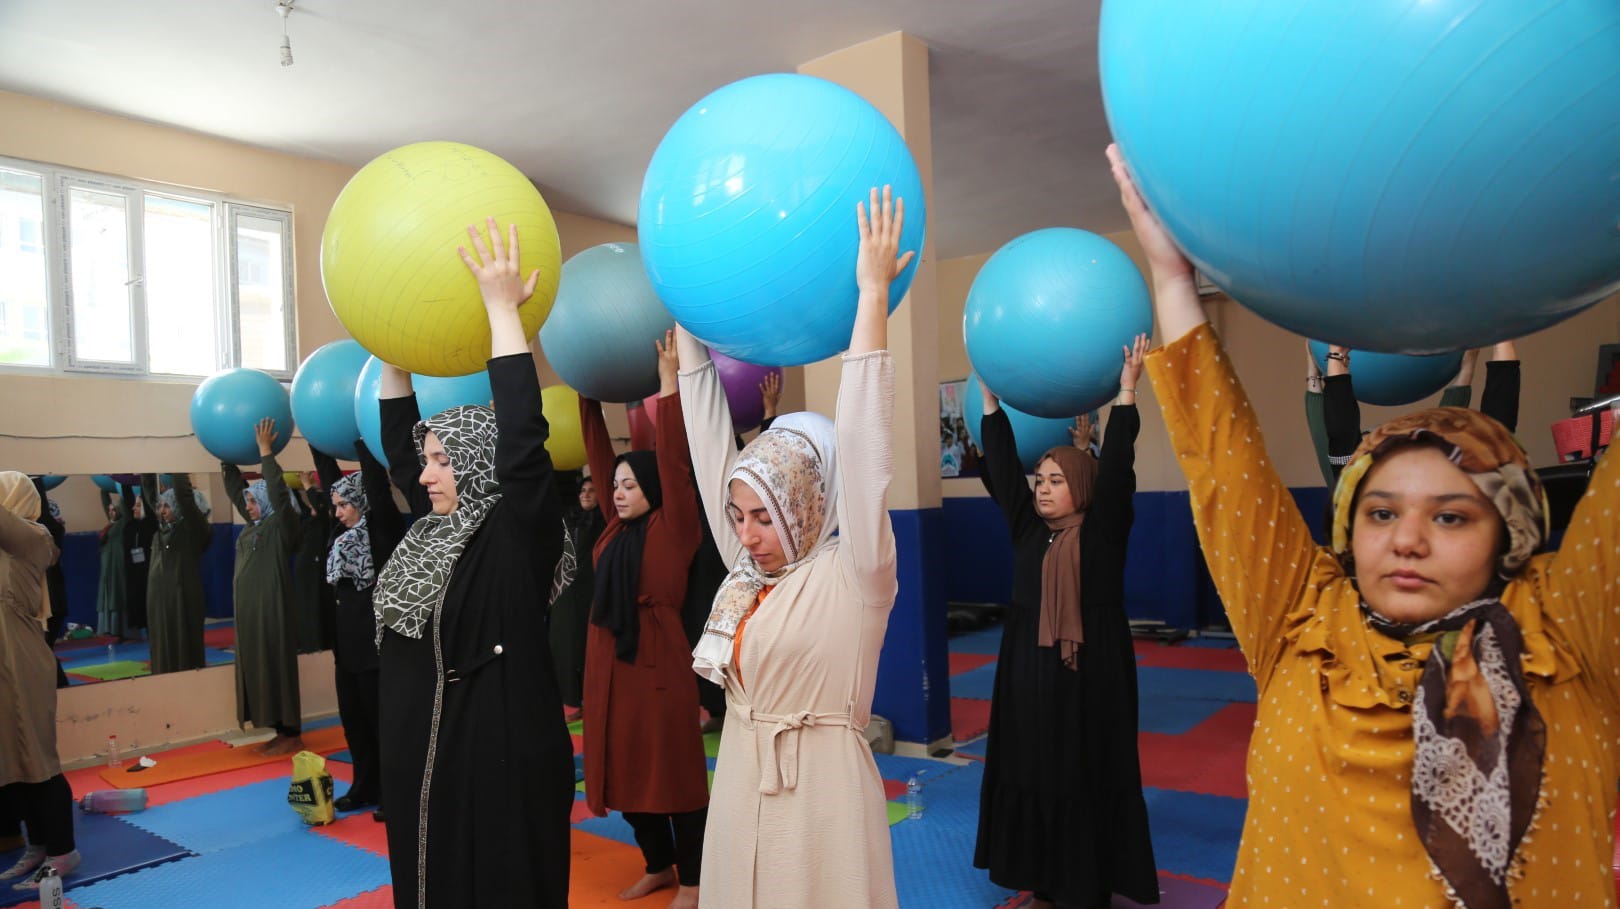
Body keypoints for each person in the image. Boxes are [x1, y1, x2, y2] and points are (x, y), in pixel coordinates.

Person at [1108, 143, 1620, 908]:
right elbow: (1222, 460)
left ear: (1510, 533)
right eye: (1381, 513)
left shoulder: (1569, 632)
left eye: (1451, 516)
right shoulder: (1302, 621)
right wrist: (1176, 280)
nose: (1406, 539)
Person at [675, 186, 910, 908]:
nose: (747, 535)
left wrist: (871, 298)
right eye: (738, 515)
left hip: (821, 799)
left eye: (766, 517)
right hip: (744, 778)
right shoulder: (748, 572)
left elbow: (866, 453)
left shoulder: (856, 572)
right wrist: (688, 306)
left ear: (809, 508)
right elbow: (711, 443)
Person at [372, 217, 573, 909]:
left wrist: (500, 315)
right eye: (427, 460)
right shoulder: (432, 533)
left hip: (495, 754)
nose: (426, 474)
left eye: (443, 460)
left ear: (480, 466)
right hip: (419, 752)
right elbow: (399, 451)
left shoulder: (517, 531)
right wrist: (392, 348)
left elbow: (522, 440)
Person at [972, 337, 1159, 909]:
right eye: (1041, 480)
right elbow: (1003, 474)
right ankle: (1045, 881)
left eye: (1055, 480)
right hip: (1029, 669)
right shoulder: (1030, 531)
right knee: (1035, 767)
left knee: (1087, 768)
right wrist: (990, 407)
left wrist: (1127, 391)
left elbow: (1120, 465)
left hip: (1093, 668)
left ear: (1081, 486)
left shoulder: (1105, 530)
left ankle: (1089, 885)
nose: (1043, 489)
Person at [580, 330, 707, 908]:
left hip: (659, 661)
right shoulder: (614, 528)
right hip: (610, 663)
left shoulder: (674, 526)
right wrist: (586, 392)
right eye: (615, 486)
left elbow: (676, 461)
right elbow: (600, 455)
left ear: (652, 489)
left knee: (674, 778)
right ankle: (658, 863)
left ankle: (694, 877)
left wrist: (667, 384)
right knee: (621, 772)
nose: (619, 491)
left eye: (630, 484)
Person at [0, 472, 80, 891]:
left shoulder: (33, 537)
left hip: (23, 658)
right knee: (16, 758)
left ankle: (63, 850)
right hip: (3, 658)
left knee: (38, 757)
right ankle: (38, 845)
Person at [319, 441, 403, 822]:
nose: (338, 511)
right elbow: (328, 480)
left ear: (362, 502)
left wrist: (361, 441)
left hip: (376, 648)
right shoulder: (340, 537)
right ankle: (364, 785)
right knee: (354, 722)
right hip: (347, 649)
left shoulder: (381, 530)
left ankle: (392, 791)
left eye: (345, 504)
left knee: (380, 722)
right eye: (335, 505)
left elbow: (377, 488)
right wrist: (320, 441)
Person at [222, 419, 305, 757]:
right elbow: (235, 491)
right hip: (250, 614)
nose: (249, 507)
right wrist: (225, 456)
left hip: (273, 611)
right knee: (258, 668)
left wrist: (265, 453)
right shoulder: (253, 527)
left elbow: (277, 495)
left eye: (253, 502)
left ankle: (292, 732)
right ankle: (276, 728)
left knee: (277, 666)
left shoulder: (281, 526)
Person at [140, 473, 210, 673]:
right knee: (162, 649)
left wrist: (177, 466)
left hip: (182, 602)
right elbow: (150, 494)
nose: (161, 510)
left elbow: (185, 499)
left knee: (183, 649)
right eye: (160, 506)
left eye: (167, 506)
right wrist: (145, 467)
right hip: (159, 605)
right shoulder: (161, 532)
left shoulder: (192, 531)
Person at [549, 472, 605, 722]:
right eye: (583, 491)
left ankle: (586, 700)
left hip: (591, 592)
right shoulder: (569, 519)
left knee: (586, 645)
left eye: (592, 491)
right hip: (565, 592)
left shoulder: (603, 522)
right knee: (563, 644)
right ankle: (570, 699)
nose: (586, 495)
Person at [293, 468, 337, 653]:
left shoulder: (324, 520)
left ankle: (319, 643)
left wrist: (307, 484)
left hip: (318, 574)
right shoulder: (306, 519)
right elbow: (302, 506)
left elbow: (319, 507)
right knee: (305, 611)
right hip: (305, 574)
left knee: (318, 611)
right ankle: (307, 643)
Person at [96, 487, 129, 640]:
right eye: (109, 510)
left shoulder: (123, 524)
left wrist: (120, 485)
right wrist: (104, 488)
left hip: (117, 568)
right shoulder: (109, 525)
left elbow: (124, 503)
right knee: (108, 596)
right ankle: (109, 628)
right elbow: (105, 500)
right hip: (107, 569)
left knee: (118, 595)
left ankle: (121, 630)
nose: (111, 512)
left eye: (114, 510)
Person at [123, 486, 155, 639]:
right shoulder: (130, 526)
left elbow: (148, 503)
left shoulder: (150, 525)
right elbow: (127, 499)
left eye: (137, 505)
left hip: (149, 575)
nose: (133, 508)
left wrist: (144, 481)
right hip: (136, 576)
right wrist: (124, 483)